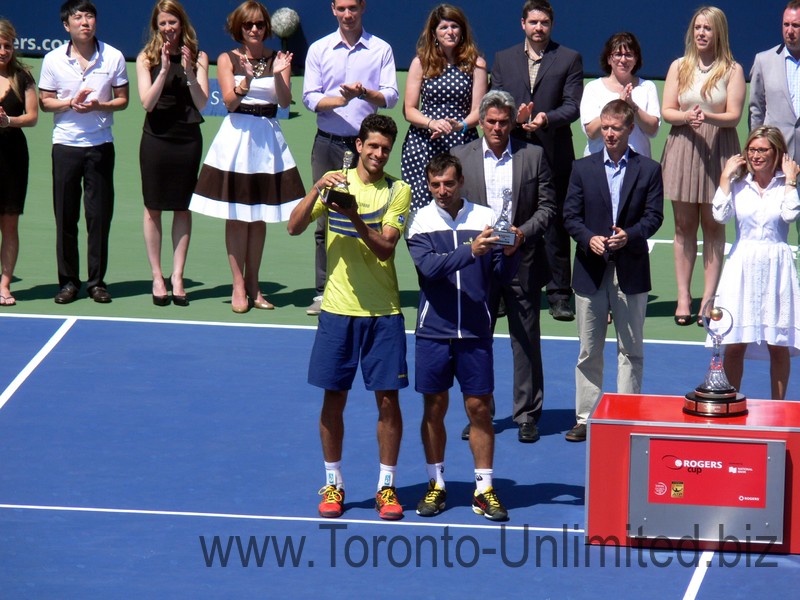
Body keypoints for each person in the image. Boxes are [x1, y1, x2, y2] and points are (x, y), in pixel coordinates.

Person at [287, 114, 411, 521]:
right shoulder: (334, 183)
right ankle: (333, 482)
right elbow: (294, 227)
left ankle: (387, 487)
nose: (378, 154)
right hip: (338, 311)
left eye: (384, 149)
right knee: (333, 399)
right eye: (372, 146)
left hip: (383, 313)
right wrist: (317, 190)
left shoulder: (397, 190)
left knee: (388, 403)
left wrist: (354, 214)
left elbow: (385, 249)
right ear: (359, 145)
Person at [407, 154, 521, 521]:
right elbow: (429, 269)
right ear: (428, 184)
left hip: (474, 331)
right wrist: (470, 251)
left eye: (449, 184)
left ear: (461, 183)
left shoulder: (486, 218)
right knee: (434, 408)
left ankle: (484, 489)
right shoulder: (420, 220)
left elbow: (501, 274)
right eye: (436, 184)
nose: (442, 191)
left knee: (480, 409)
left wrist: (511, 251)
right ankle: (436, 485)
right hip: (433, 333)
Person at [452, 90, 555, 443]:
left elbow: (546, 208)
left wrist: (522, 234)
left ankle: (527, 414)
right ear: (481, 123)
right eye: (491, 122)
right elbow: (452, 207)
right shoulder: (460, 157)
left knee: (525, 340)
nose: (497, 128)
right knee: (477, 341)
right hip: (478, 262)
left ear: (513, 122)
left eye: (503, 122)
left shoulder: (533, 156)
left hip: (520, 259)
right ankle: (480, 412)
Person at [190, 1, 304, 314]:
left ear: (267, 28)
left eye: (259, 25)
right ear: (239, 29)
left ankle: (254, 283)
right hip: (237, 138)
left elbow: (283, 102)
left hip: (267, 140)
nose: (254, 30)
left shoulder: (278, 58)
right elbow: (228, 102)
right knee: (238, 216)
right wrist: (247, 82)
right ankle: (238, 284)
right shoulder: (227, 59)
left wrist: (281, 75)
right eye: (248, 25)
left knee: (260, 217)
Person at [563, 100, 664, 442]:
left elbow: (654, 217)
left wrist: (630, 236)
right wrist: (589, 238)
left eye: (616, 128)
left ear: (629, 129)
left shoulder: (649, 169)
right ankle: (586, 418)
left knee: (630, 348)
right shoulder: (582, 168)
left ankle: (626, 415)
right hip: (590, 269)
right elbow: (570, 216)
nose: (609, 133)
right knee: (589, 349)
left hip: (630, 268)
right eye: (605, 127)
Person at [302, 0, 398, 316]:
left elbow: (390, 96)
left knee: (364, 214)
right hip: (327, 143)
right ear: (333, 9)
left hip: (364, 148)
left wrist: (364, 94)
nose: (347, 14)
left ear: (362, 8)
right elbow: (310, 98)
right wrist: (340, 99)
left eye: (352, 8)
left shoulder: (380, 49)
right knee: (323, 217)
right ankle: (322, 291)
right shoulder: (319, 48)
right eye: (341, 8)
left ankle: (364, 285)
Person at [490, 0, 583, 322]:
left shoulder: (569, 58)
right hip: (512, 150)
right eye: (533, 22)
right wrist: (513, 118)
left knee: (555, 222)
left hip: (554, 151)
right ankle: (502, 289)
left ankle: (559, 295)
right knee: (508, 215)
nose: (538, 28)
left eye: (544, 22)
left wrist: (545, 119)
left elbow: (572, 106)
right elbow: (495, 102)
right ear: (523, 24)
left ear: (551, 25)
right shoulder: (503, 59)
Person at [38, 0, 129, 304]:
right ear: (67, 26)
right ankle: (67, 282)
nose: (85, 22)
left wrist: (99, 105)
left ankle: (96, 282)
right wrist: (70, 103)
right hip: (65, 146)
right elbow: (45, 101)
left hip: (100, 146)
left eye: (89, 16)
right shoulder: (52, 59)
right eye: (78, 17)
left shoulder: (113, 56)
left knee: (99, 217)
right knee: (66, 217)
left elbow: (123, 99)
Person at [660, 6, 745, 327]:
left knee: (713, 225)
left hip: (718, 149)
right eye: (697, 27)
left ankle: (708, 300)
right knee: (683, 227)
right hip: (683, 145)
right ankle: (684, 297)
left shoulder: (732, 70)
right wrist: (686, 117)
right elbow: (669, 109)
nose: (701, 33)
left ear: (718, 32)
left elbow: (734, 116)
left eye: (707, 28)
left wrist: (706, 116)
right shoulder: (678, 66)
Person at [711, 126, 800, 400]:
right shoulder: (738, 185)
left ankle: (779, 407)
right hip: (742, 267)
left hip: (777, 267)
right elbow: (720, 215)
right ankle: (730, 402)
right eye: (752, 150)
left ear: (777, 153)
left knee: (778, 344)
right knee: (735, 342)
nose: (756, 155)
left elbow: (789, 215)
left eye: (762, 150)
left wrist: (791, 182)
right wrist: (725, 177)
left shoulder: (785, 185)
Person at [137, 0, 208, 307]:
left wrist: (190, 69)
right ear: (157, 26)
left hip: (187, 139)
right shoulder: (146, 58)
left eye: (172, 22)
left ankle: (177, 276)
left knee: (182, 207)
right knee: (153, 207)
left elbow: (202, 102)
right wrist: (165, 69)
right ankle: (157, 276)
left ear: (182, 24)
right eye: (162, 23)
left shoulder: (200, 55)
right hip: (156, 139)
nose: (168, 28)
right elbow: (147, 103)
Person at [400, 4, 487, 213]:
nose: (450, 32)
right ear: (434, 33)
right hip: (424, 143)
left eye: (455, 26)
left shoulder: (476, 64)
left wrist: (461, 125)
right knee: (421, 208)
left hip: (461, 142)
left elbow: (478, 110)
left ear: (462, 31)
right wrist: (431, 123)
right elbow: (409, 109)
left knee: (461, 205)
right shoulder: (421, 62)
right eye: (444, 27)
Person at [749, 1, 800, 241]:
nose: (790, 31)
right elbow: (756, 109)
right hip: (776, 160)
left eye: (796, 25)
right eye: (786, 24)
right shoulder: (764, 60)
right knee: (772, 230)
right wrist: (759, 151)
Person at [0, 19, 38, 307]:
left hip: (12, 159)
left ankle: (4, 285)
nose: (3, 51)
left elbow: (33, 117)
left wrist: (8, 121)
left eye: (8, 46)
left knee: (9, 225)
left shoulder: (22, 76)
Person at [580, 32, 660, 158]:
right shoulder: (593, 88)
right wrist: (618, 103)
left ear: (636, 59)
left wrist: (632, 106)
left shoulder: (647, 87)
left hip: (637, 162)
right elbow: (591, 132)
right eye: (618, 54)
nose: (623, 60)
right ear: (609, 59)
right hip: (599, 162)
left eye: (628, 55)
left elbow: (652, 130)